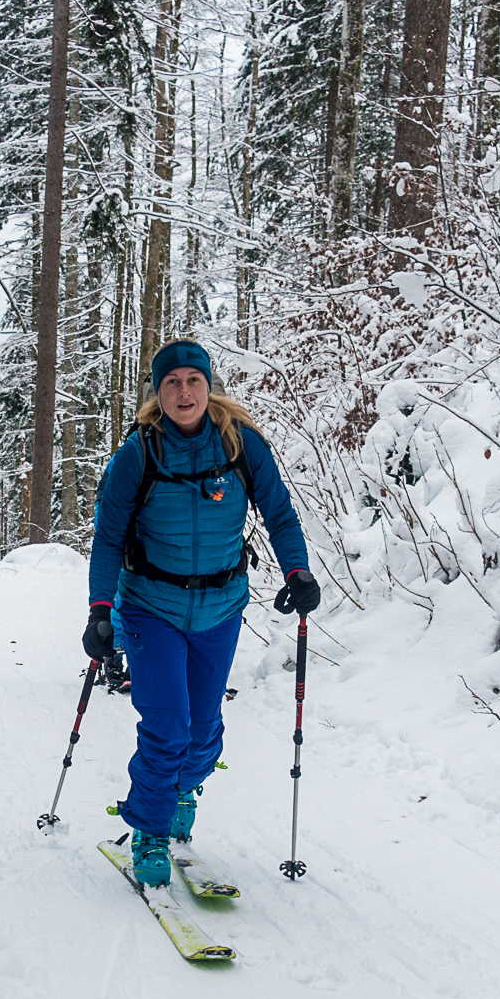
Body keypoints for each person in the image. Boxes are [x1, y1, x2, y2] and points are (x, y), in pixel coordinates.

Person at [83, 338, 322, 886]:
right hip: (151, 608)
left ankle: (183, 790)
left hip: (220, 606)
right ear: (158, 393)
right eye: (172, 383)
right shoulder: (138, 454)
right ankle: (148, 828)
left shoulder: (242, 445)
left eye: (193, 380)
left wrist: (298, 570)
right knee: (167, 727)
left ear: (207, 386)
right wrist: (100, 609)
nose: (184, 391)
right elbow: (107, 538)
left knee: (204, 729)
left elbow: (280, 514)